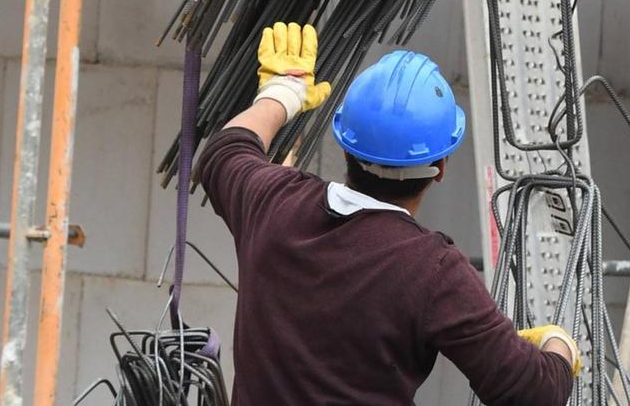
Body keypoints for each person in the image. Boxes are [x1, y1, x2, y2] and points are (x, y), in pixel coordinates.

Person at [197, 22, 580, 405]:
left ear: (345, 146)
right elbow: (536, 394)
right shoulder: (434, 272)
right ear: (440, 168)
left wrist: (284, 92)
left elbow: (224, 153)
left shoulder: (275, 203)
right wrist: (557, 346)